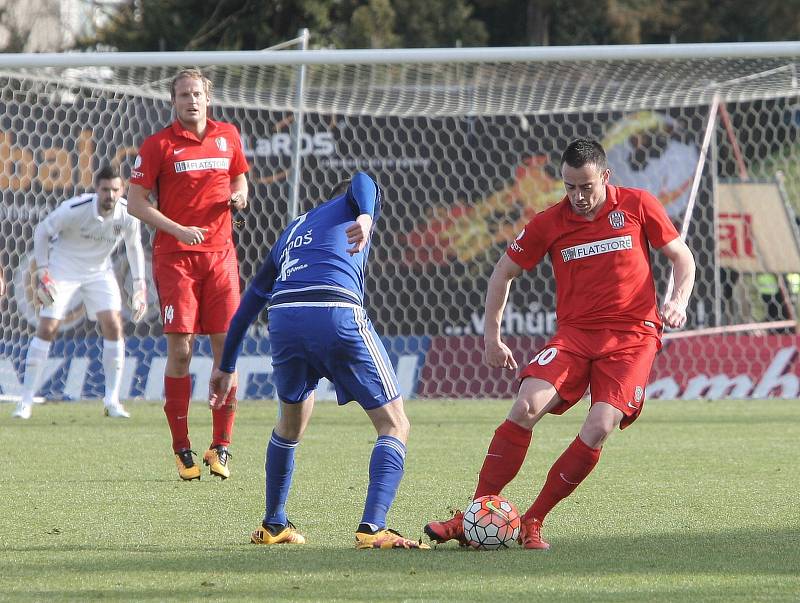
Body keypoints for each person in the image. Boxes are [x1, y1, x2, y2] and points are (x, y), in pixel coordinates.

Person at [424, 138, 696, 550]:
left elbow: (683, 258)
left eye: (586, 186)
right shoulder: (549, 222)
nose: (578, 197)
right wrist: (492, 338)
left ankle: (533, 520)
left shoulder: (638, 204)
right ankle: (471, 516)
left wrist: (678, 301)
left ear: (605, 176)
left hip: (632, 338)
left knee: (600, 425)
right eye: (570, 187)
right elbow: (502, 273)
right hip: (573, 337)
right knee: (525, 405)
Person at [208, 171, 429, 550]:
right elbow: (364, 180)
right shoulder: (350, 205)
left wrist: (226, 365)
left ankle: (274, 523)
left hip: (284, 319)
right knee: (395, 424)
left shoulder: (293, 230)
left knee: (290, 424)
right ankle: (373, 528)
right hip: (334, 310)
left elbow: (249, 305)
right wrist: (364, 217)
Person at [127, 69, 249, 481]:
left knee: (225, 354)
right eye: (183, 95)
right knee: (180, 352)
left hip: (221, 259)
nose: (191, 101)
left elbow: (239, 175)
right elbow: (135, 203)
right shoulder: (158, 145)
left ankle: (221, 446)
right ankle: (182, 447)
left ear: (207, 98)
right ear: (173, 101)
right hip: (176, 257)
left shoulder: (228, 135)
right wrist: (177, 228)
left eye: (196, 94)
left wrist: (240, 194)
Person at [12, 163, 147, 420]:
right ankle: (25, 401)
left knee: (114, 324)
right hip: (63, 269)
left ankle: (112, 400)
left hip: (99, 272)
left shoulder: (128, 213)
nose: (110, 195)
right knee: (47, 327)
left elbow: (134, 247)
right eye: (105, 189)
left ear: (122, 190)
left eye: (115, 190)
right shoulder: (74, 209)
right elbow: (42, 232)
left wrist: (140, 286)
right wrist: (43, 272)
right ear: (96, 188)